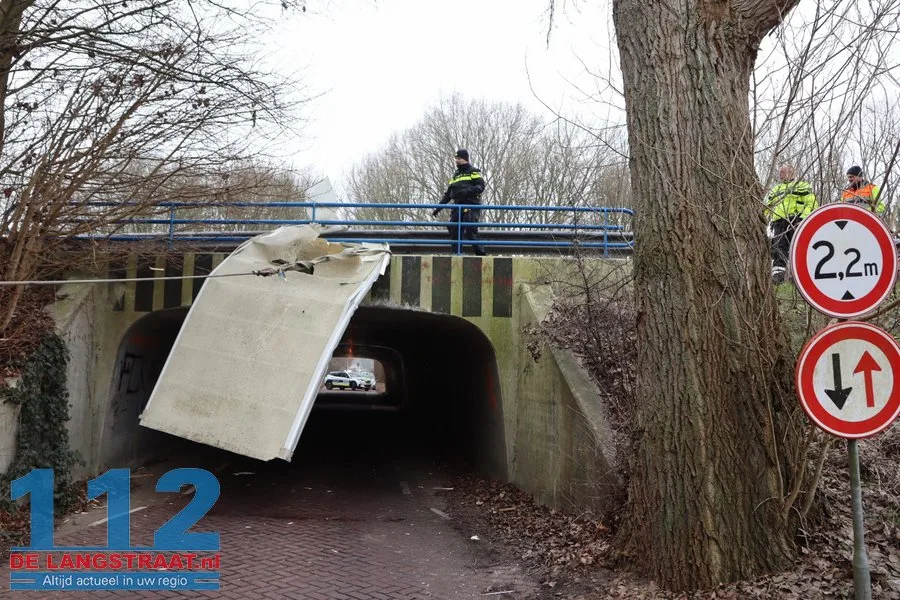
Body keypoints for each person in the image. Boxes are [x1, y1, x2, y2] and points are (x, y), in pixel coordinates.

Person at [764, 165, 817, 283]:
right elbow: (768, 206)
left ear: (791, 173)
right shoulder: (776, 189)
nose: (780, 174)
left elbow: (811, 203)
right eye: (780, 172)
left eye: (783, 172)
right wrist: (763, 218)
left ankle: (798, 276)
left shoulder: (802, 186)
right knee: (779, 248)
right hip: (778, 222)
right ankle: (778, 276)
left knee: (798, 248)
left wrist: (803, 218)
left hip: (795, 220)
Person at [433, 148, 486, 256]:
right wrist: (438, 208)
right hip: (457, 207)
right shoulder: (456, 175)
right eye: (456, 158)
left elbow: (481, 186)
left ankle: (481, 255)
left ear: (465, 159)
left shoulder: (473, 171)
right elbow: (448, 194)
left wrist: (467, 191)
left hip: (471, 206)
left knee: (471, 232)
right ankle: (457, 253)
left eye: (459, 158)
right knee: (453, 228)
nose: (457, 161)